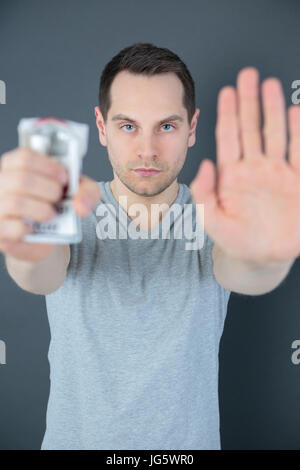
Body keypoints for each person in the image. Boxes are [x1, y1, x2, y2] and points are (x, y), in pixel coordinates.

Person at [0, 42, 300, 450]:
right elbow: (40, 272)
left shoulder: (220, 214)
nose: (147, 150)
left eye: (166, 126)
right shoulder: (67, 212)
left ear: (192, 129)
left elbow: (244, 269)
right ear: (102, 127)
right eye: (128, 126)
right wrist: (26, 245)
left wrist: (267, 255)